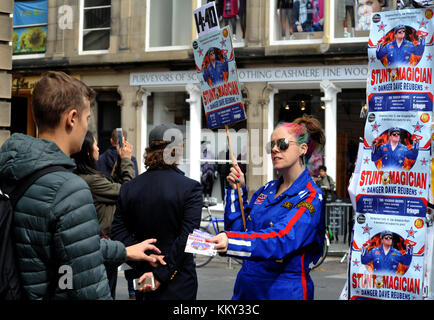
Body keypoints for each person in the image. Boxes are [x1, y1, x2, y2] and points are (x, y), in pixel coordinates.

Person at [0, 71, 162, 300]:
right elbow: (88, 285)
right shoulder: (69, 189)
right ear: (72, 118)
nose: (87, 126)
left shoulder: (11, 168)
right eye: (87, 118)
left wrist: (124, 251)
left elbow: (69, 244)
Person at [208, 116, 326, 300]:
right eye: (271, 145)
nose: (274, 149)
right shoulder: (266, 190)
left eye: (283, 144)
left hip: (283, 290)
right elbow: (239, 231)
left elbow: (282, 239)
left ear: (303, 149)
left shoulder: (311, 197)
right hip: (247, 289)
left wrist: (230, 242)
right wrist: (235, 192)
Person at [111, 123, 203, 300]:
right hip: (178, 281)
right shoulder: (190, 188)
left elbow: (119, 232)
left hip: (142, 274)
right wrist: (161, 273)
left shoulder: (129, 188)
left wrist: (146, 258)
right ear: (177, 151)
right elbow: (188, 238)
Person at [71, 130, 136, 299]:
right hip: (102, 245)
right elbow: (127, 192)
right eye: (95, 145)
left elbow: (111, 185)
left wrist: (121, 159)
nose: (99, 148)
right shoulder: (90, 180)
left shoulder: (86, 176)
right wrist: (127, 160)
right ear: (87, 152)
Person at [95, 128, 139, 299]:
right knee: (126, 256)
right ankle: (131, 290)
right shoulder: (130, 159)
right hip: (122, 219)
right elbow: (131, 188)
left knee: (110, 264)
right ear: (124, 142)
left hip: (105, 219)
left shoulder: (101, 159)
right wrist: (126, 160)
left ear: (112, 141)